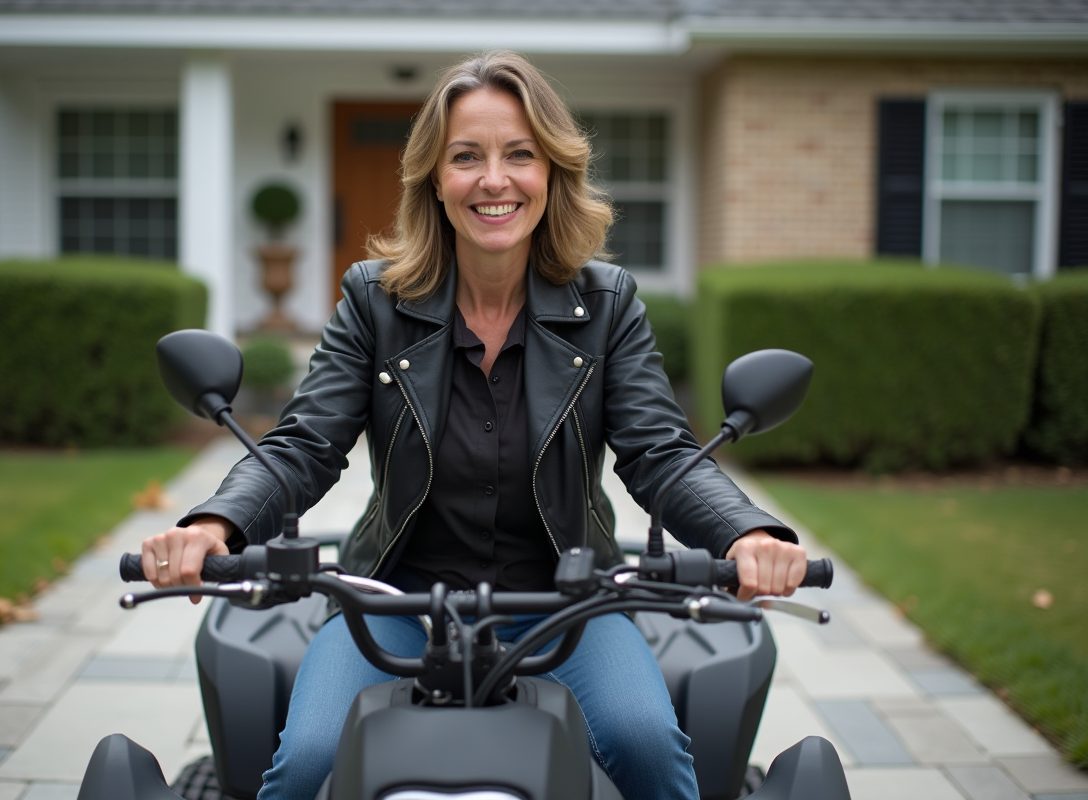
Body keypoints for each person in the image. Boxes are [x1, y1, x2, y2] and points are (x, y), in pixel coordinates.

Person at [142, 50, 808, 800]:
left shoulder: (609, 304)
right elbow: (305, 443)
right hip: (393, 600)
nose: (494, 179)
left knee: (648, 743)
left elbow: (661, 453)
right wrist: (215, 525)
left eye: (519, 154)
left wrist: (746, 532)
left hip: (568, 604)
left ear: (552, 172)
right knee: (305, 762)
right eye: (467, 156)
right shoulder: (374, 300)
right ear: (434, 177)